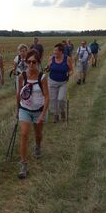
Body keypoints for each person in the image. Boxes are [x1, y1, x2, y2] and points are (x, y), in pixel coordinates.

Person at [16, 49, 49, 179]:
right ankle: (23, 164)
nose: (30, 64)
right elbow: (18, 95)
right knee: (24, 134)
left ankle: (38, 146)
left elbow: (47, 97)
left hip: (39, 111)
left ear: (38, 63)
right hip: (25, 110)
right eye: (28, 61)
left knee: (38, 134)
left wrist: (42, 114)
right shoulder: (21, 77)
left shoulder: (42, 77)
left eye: (33, 62)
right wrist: (17, 110)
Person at [45, 43, 74, 122]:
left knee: (61, 99)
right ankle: (56, 115)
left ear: (61, 52)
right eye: (54, 50)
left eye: (56, 50)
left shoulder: (67, 59)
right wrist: (47, 68)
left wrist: (69, 75)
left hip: (63, 83)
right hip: (52, 82)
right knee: (53, 100)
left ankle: (62, 111)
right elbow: (48, 68)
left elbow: (71, 70)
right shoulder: (51, 58)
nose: (54, 52)